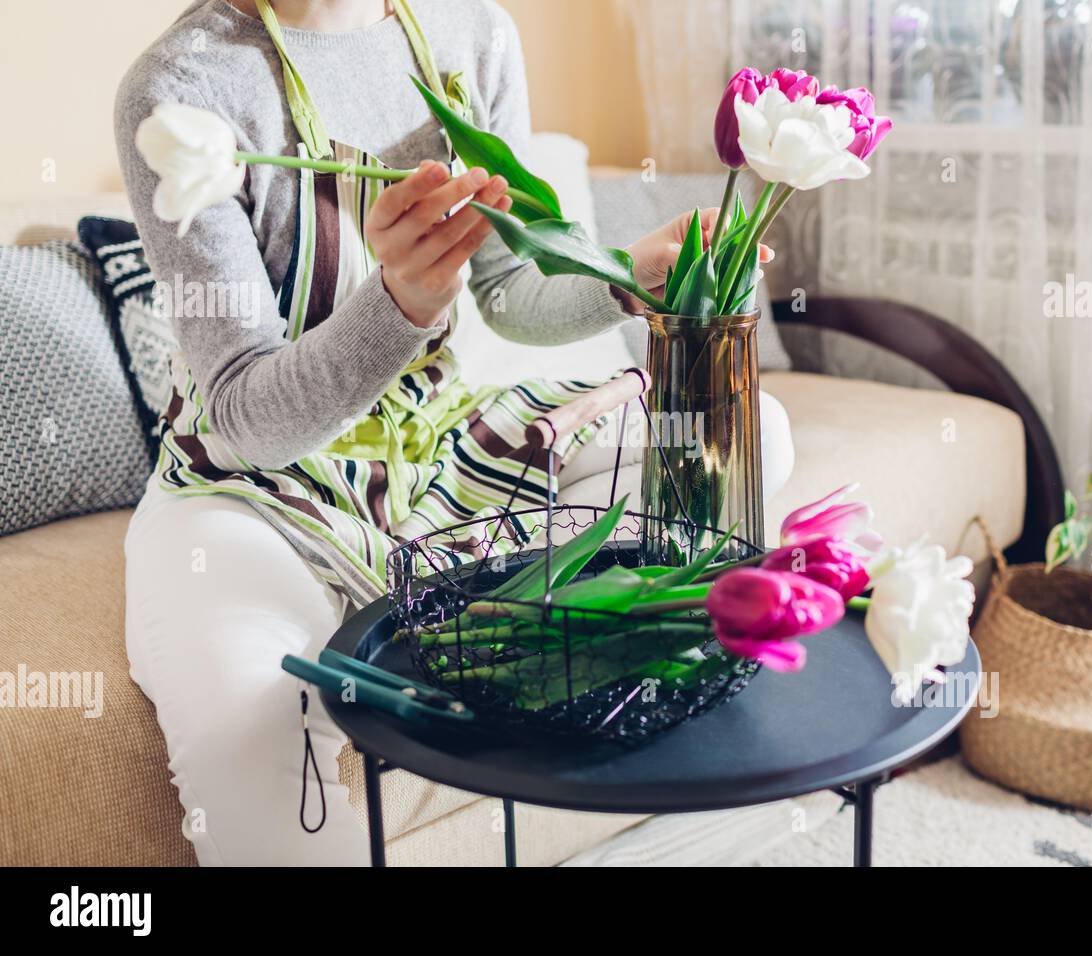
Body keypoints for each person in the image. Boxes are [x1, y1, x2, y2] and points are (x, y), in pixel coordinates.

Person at [116, 0, 794, 865]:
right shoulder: (181, 89)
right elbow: (248, 419)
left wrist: (625, 278)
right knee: (250, 746)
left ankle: (479, 635)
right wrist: (400, 305)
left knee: (739, 436)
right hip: (250, 494)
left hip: (435, 457)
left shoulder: (469, 33)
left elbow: (512, 291)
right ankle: (434, 637)